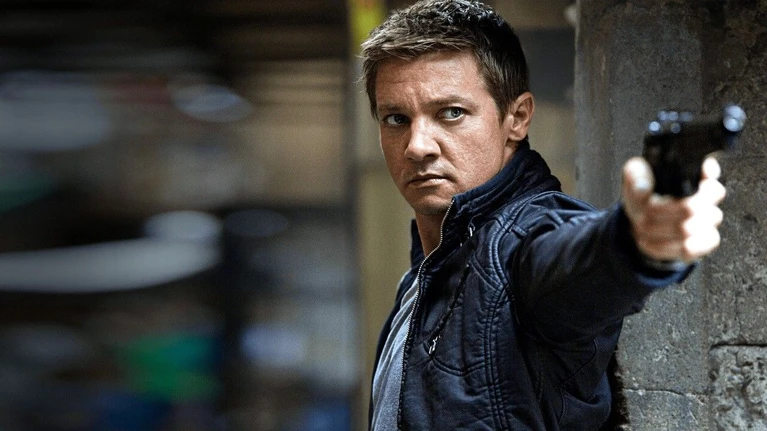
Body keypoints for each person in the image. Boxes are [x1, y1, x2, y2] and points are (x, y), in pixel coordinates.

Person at [359, 0, 727, 430]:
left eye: (451, 113)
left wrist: (635, 241)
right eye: (396, 118)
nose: (417, 146)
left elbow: (574, 260)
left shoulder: (525, 243)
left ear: (517, 118)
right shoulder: (418, 285)